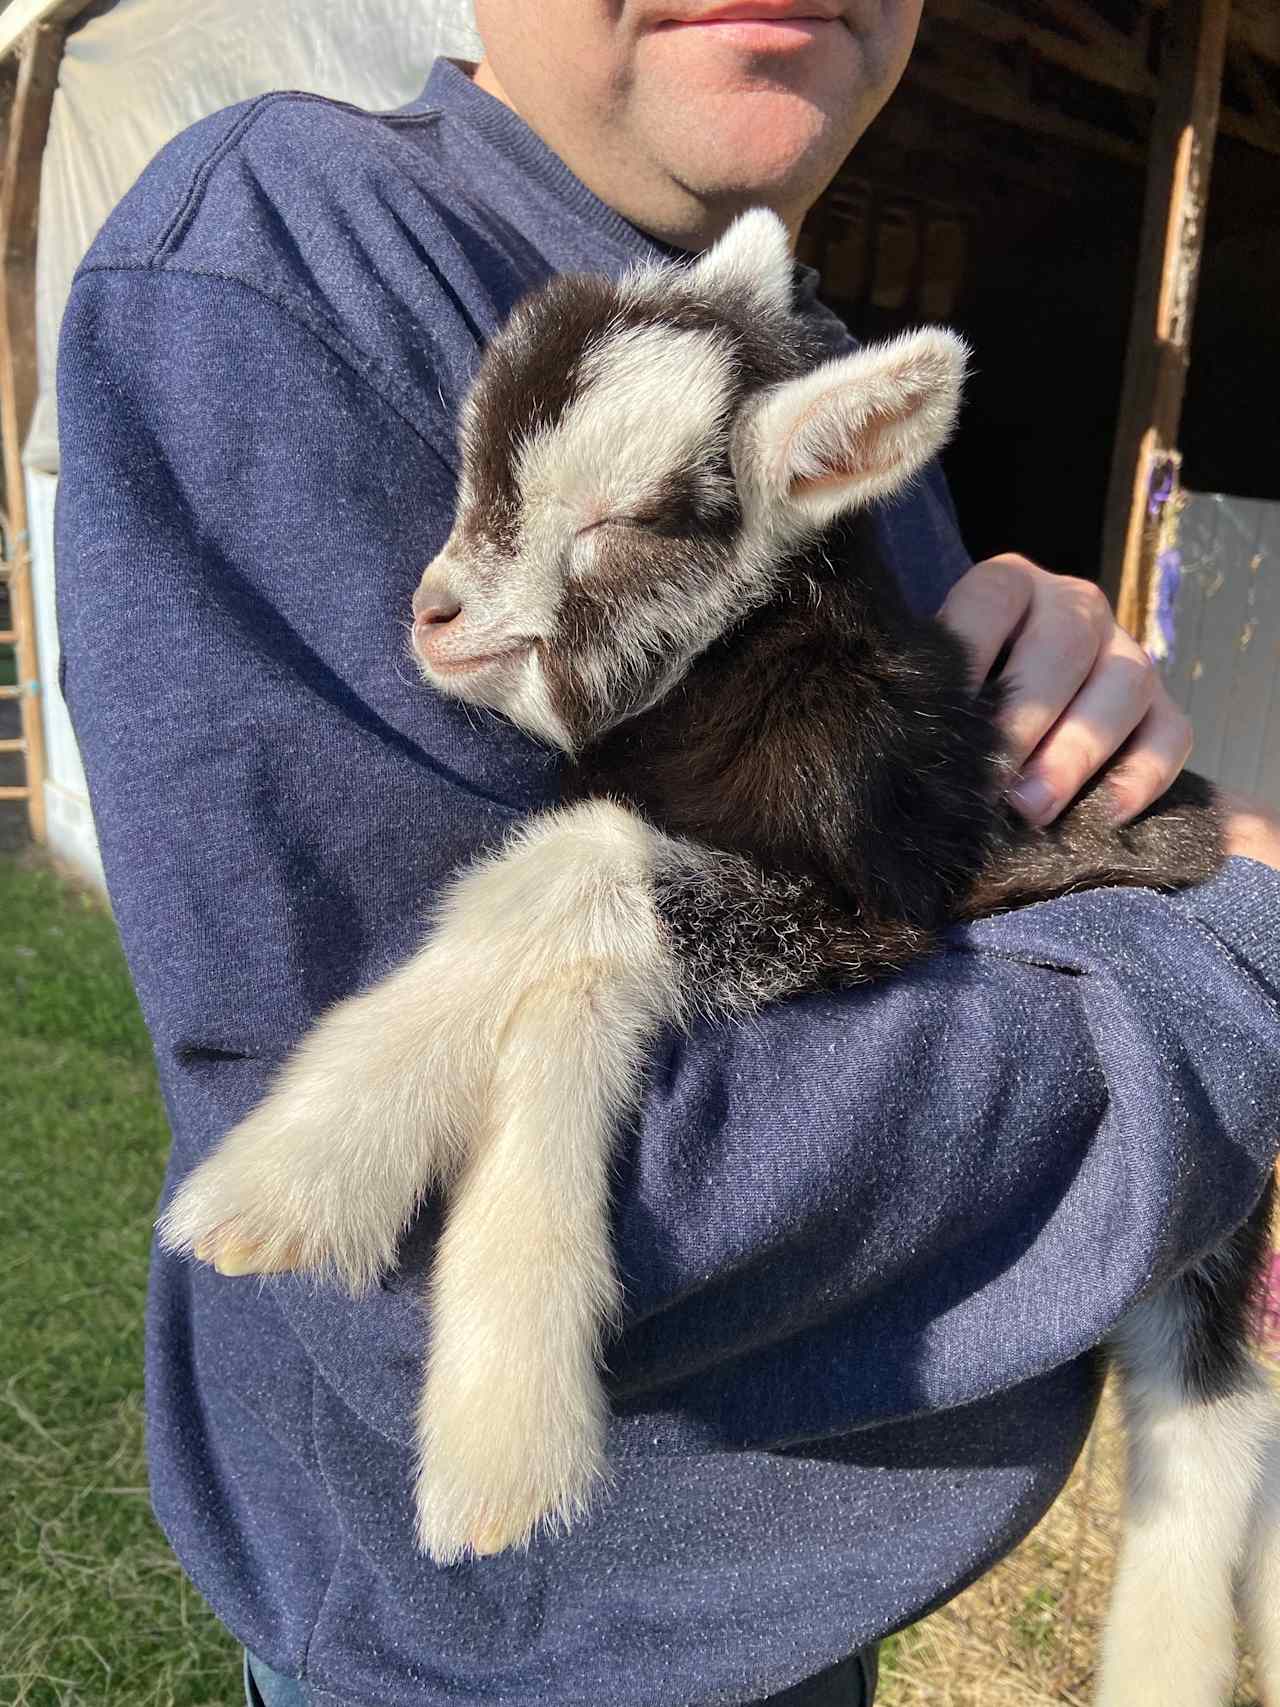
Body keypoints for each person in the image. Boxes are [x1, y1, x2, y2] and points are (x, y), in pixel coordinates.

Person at [53, 5, 1280, 1705]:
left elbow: (886, 889)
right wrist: (1227, 957)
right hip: (497, 1647)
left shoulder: (776, 339)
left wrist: (1027, 677)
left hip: (815, 1596)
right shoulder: (291, 253)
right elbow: (444, 1239)